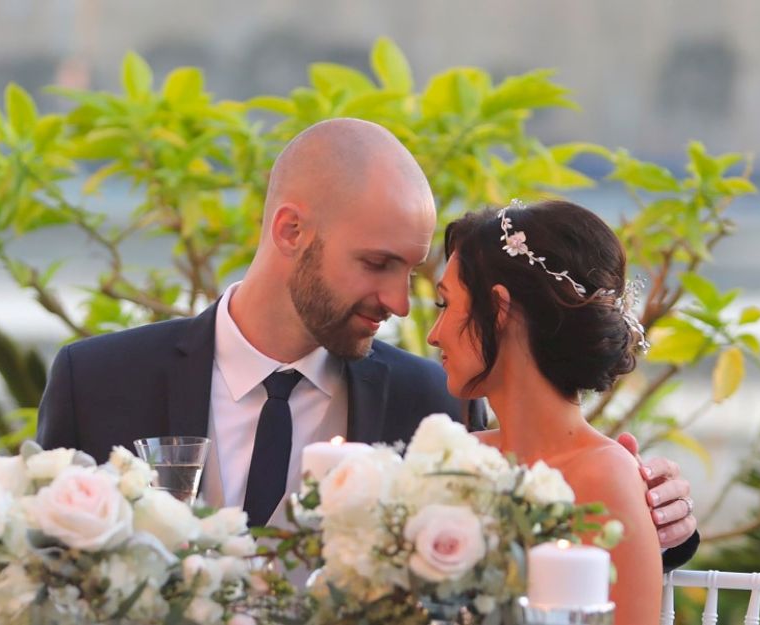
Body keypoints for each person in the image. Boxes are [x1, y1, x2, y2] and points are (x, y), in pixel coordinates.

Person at [36, 118, 700, 568]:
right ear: (291, 230)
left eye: (412, 275)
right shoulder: (96, 382)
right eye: (378, 263)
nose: (399, 303)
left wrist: (663, 519)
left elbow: (554, 526)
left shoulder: (436, 406)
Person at [427, 198, 665, 620]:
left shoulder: (604, 476)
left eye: (445, 305)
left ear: (498, 310)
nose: (433, 335)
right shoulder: (456, 459)